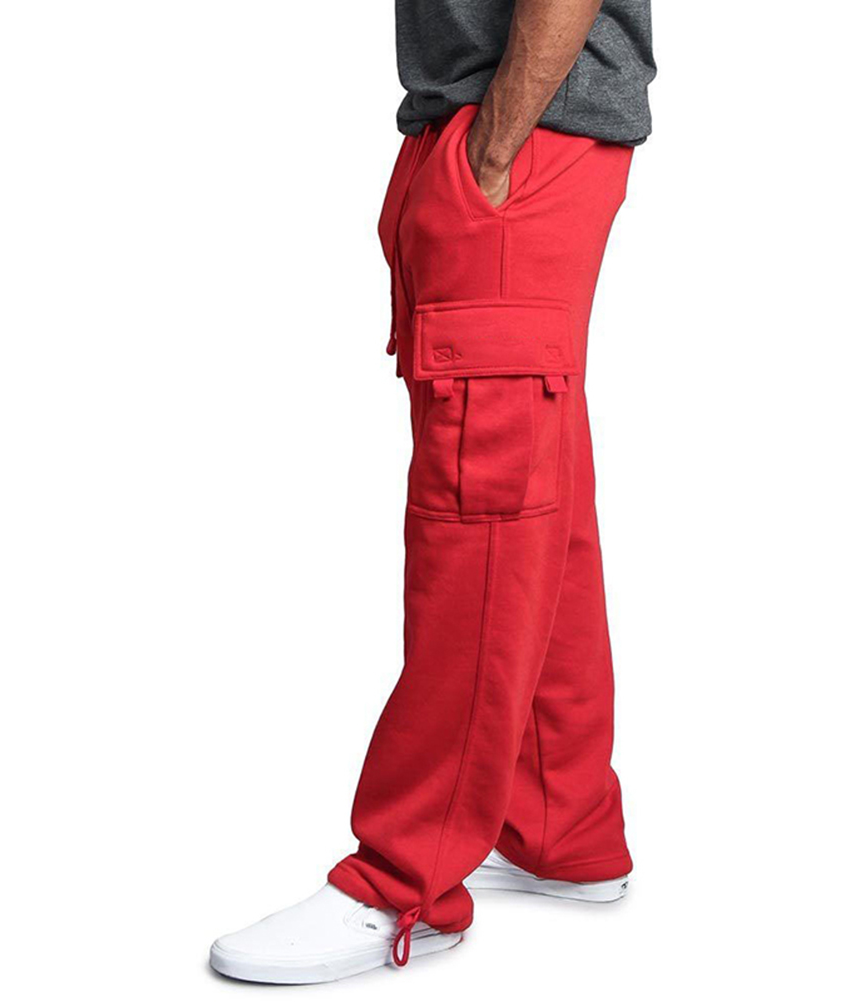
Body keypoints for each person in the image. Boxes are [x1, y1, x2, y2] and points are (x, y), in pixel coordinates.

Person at [210, 0, 655, 984]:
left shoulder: (509, 139)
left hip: (519, 138)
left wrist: (491, 146)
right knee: (534, 495)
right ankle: (560, 824)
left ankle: (403, 878)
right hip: (492, 135)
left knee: (481, 514)